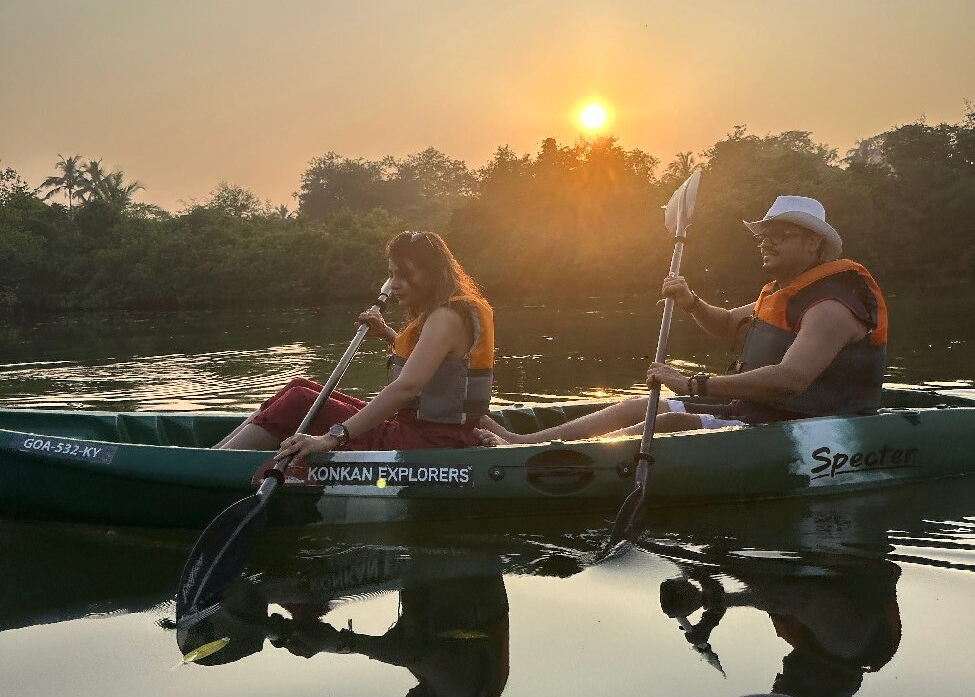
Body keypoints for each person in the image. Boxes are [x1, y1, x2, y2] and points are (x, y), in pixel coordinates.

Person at [476, 195, 887, 445]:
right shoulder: (782, 293)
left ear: (814, 242)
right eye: (764, 234)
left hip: (809, 423)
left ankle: (547, 458)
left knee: (670, 421)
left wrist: (694, 384)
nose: (766, 241)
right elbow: (727, 324)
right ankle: (522, 442)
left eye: (780, 234)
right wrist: (690, 301)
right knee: (640, 404)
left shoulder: (831, 307)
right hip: (764, 412)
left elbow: (792, 379)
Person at [215, 230, 494, 457]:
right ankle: (214, 454)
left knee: (298, 402)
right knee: (298, 387)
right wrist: (387, 334)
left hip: (426, 444)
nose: (394, 284)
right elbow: (438, 369)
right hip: (427, 434)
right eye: (392, 274)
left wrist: (333, 437)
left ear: (432, 274)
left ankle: (213, 464)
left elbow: (407, 387)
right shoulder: (449, 313)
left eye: (404, 274)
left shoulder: (444, 317)